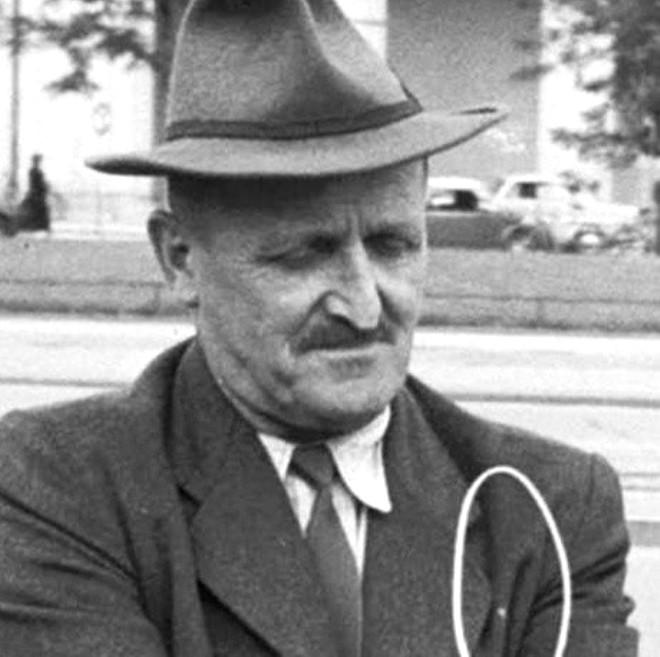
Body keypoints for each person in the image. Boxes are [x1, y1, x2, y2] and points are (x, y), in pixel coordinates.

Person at [0, 1, 638, 656]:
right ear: (180, 258)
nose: (364, 308)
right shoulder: (57, 485)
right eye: (303, 254)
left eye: (393, 245)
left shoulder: (551, 510)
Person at [18, 153, 51, 232]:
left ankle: (42, 226)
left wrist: (45, 186)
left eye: (38, 161)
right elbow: (35, 183)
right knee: (40, 208)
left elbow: (40, 182)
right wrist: (43, 187)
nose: (38, 162)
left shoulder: (38, 171)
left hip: (38, 193)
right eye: (37, 161)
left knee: (43, 209)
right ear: (34, 161)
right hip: (35, 194)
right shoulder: (33, 171)